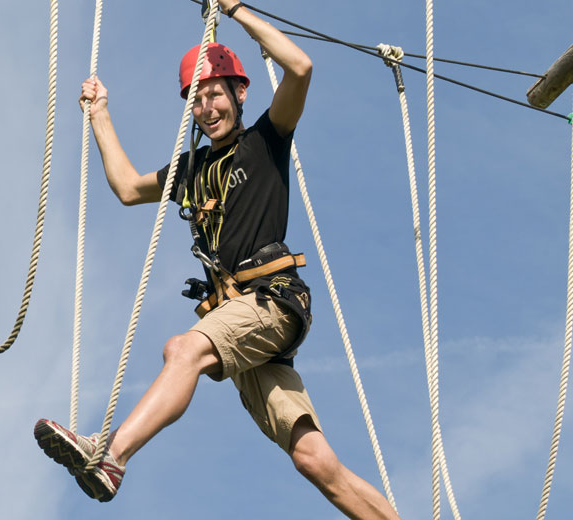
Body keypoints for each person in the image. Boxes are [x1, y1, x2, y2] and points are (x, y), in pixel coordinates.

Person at [35, 2, 400, 518]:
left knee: (183, 350)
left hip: (271, 303)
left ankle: (110, 454)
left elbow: (300, 68)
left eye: (214, 94)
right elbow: (126, 186)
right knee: (313, 460)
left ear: (239, 92)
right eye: (196, 99)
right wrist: (99, 114)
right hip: (238, 320)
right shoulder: (189, 170)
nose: (207, 108)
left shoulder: (265, 141)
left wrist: (236, 10)